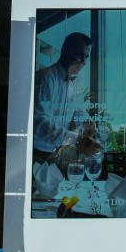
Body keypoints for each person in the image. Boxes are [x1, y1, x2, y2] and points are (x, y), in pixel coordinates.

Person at [32, 32, 101, 165]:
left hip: (58, 152)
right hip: (37, 153)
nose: (84, 62)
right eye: (79, 55)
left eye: (86, 57)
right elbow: (40, 122)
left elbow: (78, 112)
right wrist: (76, 139)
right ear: (65, 52)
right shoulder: (46, 78)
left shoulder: (76, 83)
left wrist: (87, 122)